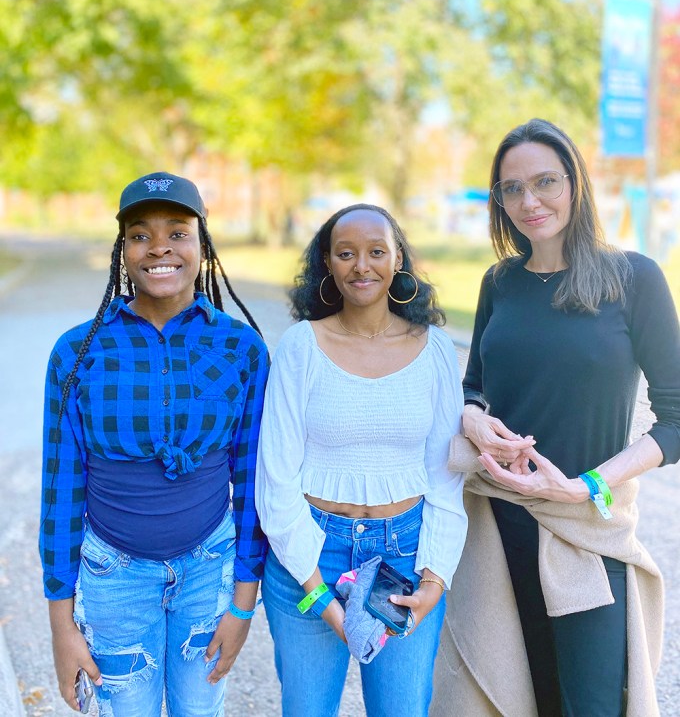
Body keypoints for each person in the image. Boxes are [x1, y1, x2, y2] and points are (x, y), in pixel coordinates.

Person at [432, 119, 680, 717]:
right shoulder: (500, 283)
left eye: (545, 181)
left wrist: (583, 486)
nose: (529, 201)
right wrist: (472, 417)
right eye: (510, 189)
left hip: (584, 526)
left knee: (591, 701)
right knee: (510, 694)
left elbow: (675, 419)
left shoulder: (634, 278)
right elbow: (475, 388)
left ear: (576, 182)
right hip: (498, 525)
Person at [39, 172, 269, 717]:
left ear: (202, 245)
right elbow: (60, 489)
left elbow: (256, 477)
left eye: (178, 232)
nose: (160, 246)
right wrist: (60, 625)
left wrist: (242, 603)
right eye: (140, 234)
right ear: (123, 251)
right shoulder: (79, 351)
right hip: (112, 576)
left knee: (199, 709)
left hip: (207, 569)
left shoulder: (241, 347)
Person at [255, 203, 467, 717]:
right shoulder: (300, 348)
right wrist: (317, 593)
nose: (361, 265)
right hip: (311, 557)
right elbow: (275, 479)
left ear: (399, 260)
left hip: (404, 561)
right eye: (345, 253)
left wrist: (434, 581)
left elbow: (445, 477)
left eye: (376, 251)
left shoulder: (436, 349)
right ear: (327, 264)